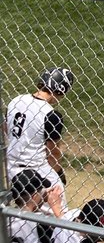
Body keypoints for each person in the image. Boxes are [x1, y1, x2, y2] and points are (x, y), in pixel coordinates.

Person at [6, 68, 75, 205]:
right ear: (61, 89)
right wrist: (58, 172)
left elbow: (6, 128)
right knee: (58, 209)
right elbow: (52, 153)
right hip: (37, 170)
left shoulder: (16, 100)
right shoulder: (51, 115)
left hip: (11, 167)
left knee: (26, 211)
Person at [8, 170, 65, 243]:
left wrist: (41, 194)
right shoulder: (39, 222)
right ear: (34, 196)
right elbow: (66, 237)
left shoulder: (6, 217)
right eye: (41, 191)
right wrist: (56, 206)